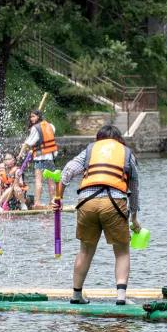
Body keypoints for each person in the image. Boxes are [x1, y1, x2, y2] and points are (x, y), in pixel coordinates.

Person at [54, 124, 140, 305]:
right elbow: (134, 186)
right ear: (119, 139)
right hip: (114, 203)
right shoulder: (127, 153)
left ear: (99, 138)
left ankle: (76, 296)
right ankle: (121, 297)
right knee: (122, 251)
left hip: (87, 202)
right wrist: (134, 218)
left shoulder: (90, 150)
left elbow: (67, 171)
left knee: (85, 251)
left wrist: (58, 198)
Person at [17, 109, 57, 208]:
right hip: (50, 157)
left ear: (38, 117)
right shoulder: (50, 126)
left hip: (40, 158)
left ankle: (37, 202)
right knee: (51, 181)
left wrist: (20, 154)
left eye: (33, 116)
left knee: (39, 181)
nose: (31, 119)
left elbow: (28, 143)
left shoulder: (35, 128)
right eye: (31, 117)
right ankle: (53, 201)